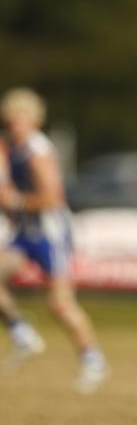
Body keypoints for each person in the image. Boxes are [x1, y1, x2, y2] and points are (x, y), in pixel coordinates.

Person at [0, 88, 109, 393]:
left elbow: (52, 197)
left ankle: (92, 359)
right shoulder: (10, 148)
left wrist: (15, 202)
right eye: (12, 117)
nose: (14, 123)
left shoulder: (38, 151)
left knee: (60, 303)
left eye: (21, 117)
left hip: (51, 234)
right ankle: (21, 332)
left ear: (34, 120)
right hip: (23, 234)